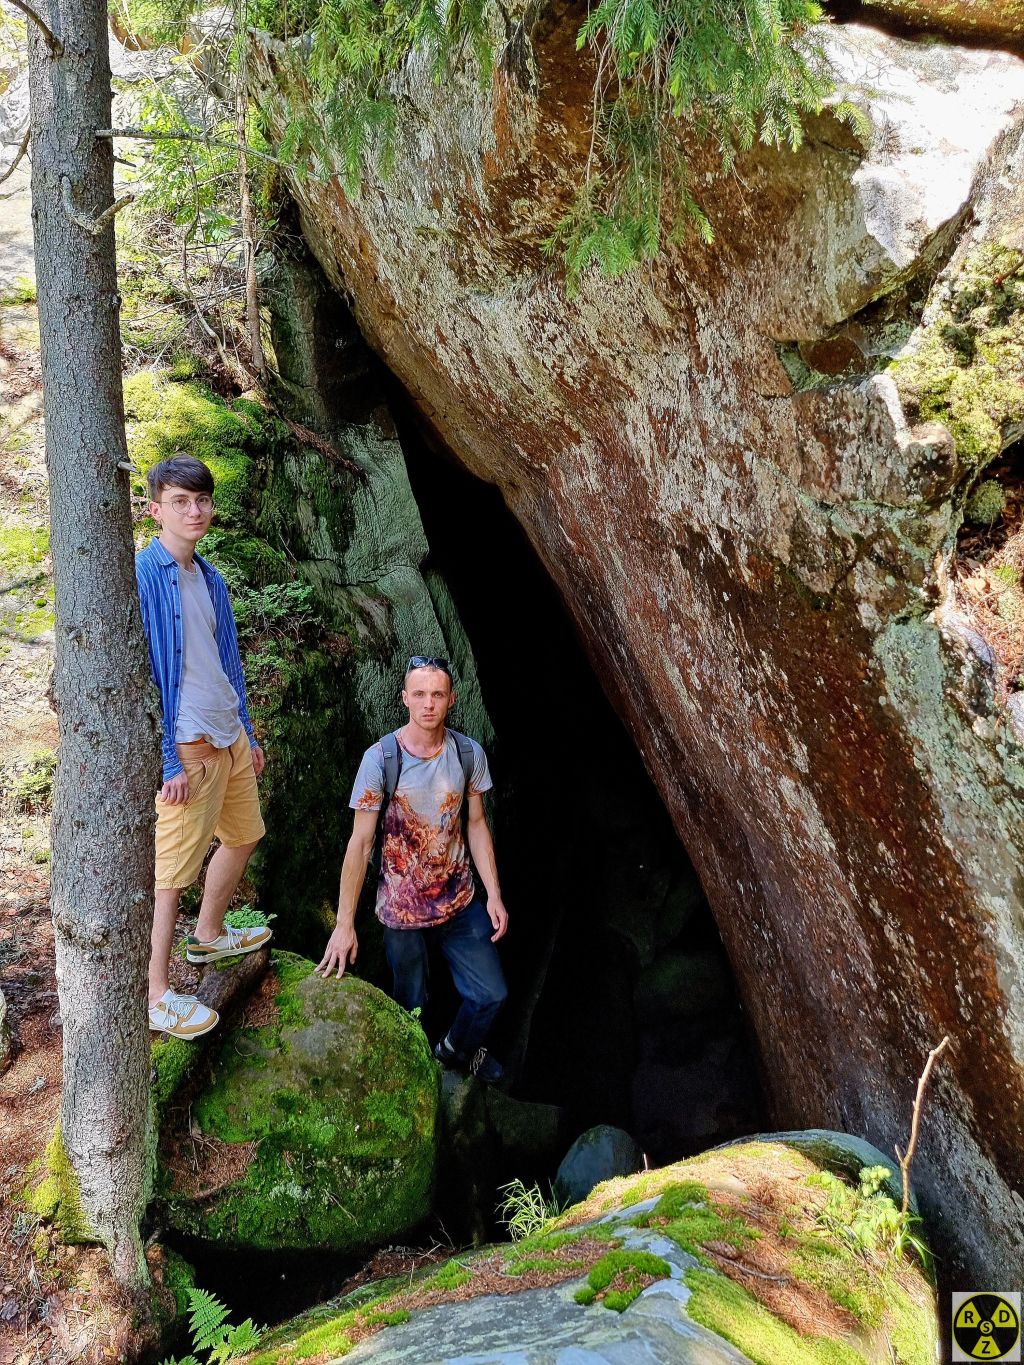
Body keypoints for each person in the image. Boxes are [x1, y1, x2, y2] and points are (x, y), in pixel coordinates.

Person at [317, 656, 509, 1083]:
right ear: (404, 698)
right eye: (419, 694)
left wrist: (494, 894)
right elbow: (360, 843)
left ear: (451, 700)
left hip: (459, 901)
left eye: (437, 695)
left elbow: (476, 824)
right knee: (411, 1003)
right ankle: (415, 1076)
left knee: (491, 994)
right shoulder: (381, 759)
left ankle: (453, 1053)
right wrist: (344, 923)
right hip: (402, 912)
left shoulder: (466, 753)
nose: (428, 704)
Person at [136, 455, 272, 1040]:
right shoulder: (145, 574)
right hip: (189, 744)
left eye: (202, 501)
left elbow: (228, 661)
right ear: (155, 509)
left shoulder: (209, 577)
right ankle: (157, 995)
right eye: (180, 502)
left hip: (228, 733)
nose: (195, 511)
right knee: (171, 875)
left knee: (244, 837)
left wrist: (247, 728)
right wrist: (167, 758)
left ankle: (209, 936)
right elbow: (146, 673)